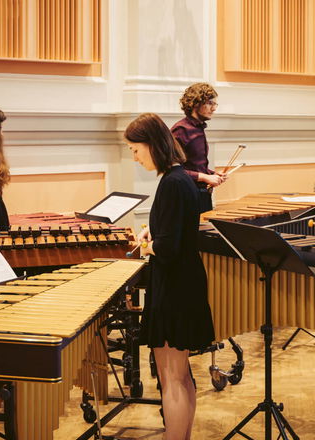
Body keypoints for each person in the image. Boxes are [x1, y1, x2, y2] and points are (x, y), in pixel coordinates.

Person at [125, 113, 215, 440]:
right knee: (179, 375)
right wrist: (156, 232)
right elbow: (175, 230)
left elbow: (169, 248)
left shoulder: (172, 183)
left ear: (152, 145)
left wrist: (146, 245)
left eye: (136, 150)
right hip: (181, 282)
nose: (134, 157)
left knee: (172, 378)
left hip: (175, 286)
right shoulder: (179, 179)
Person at [172, 83, 227, 213]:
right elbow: (172, 170)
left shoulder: (199, 128)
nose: (213, 108)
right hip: (186, 195)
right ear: (195, 103)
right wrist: (204, 177)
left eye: (214, 104)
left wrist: (211, 174)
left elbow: (193, 166)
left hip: (202, 194)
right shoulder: (181, 130)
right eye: (209, 103)